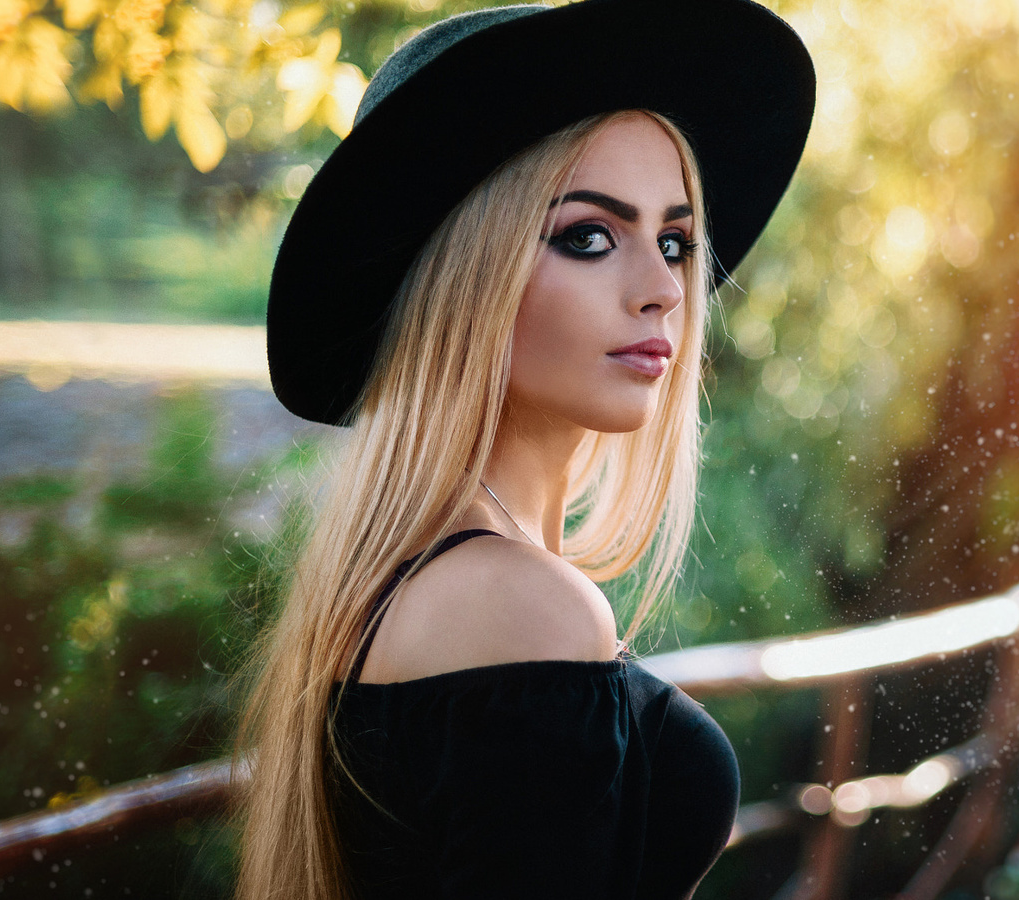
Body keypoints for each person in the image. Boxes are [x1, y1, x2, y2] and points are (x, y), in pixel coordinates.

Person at [232, 1, 814, 897]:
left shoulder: (420, 581)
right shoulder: (519, 609)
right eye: (588, 237)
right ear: (465, 275)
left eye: (674, 241)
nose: (663, 288)